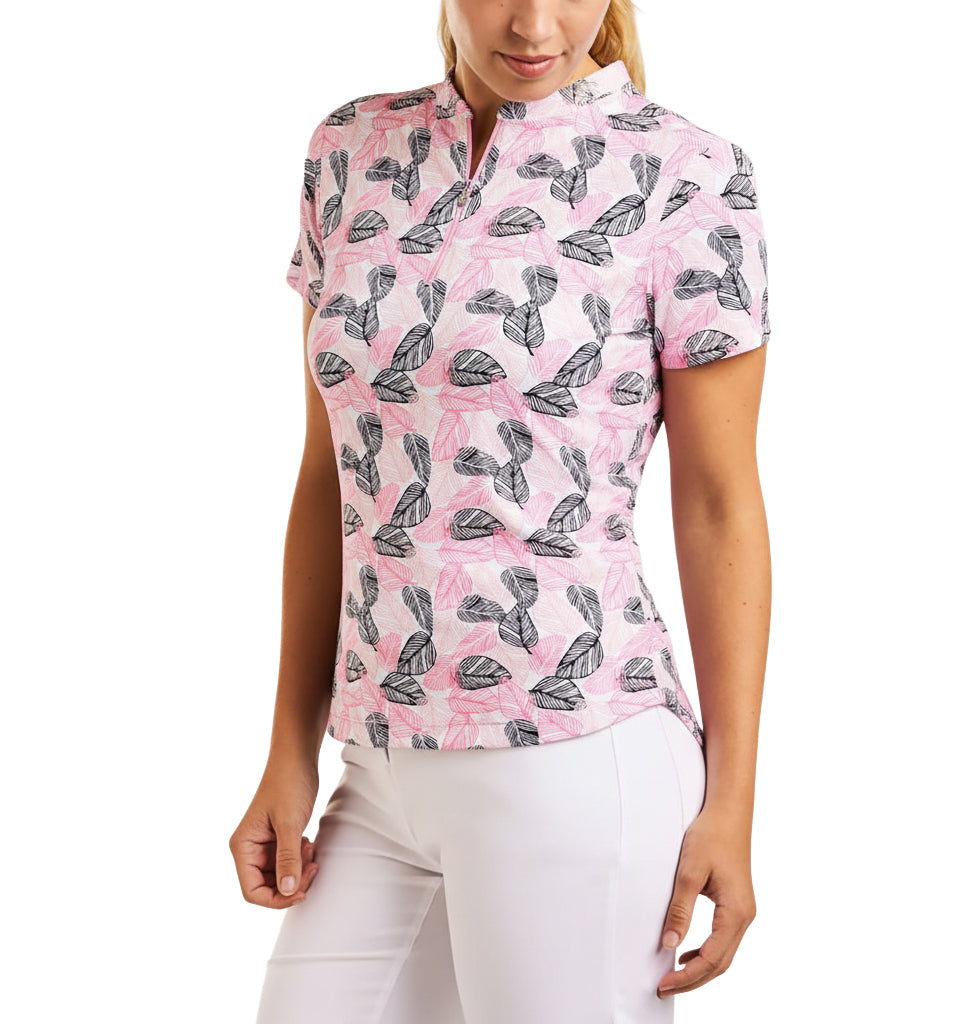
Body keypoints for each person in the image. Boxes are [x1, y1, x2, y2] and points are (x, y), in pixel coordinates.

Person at [229, 1, 771, 1020]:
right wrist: (288, 750)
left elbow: (718, 503)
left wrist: (732, 801)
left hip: (571, 751)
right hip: (377, 764)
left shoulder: (683, 172)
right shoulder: (351, 148)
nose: (534, 24)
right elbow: (331, 477)